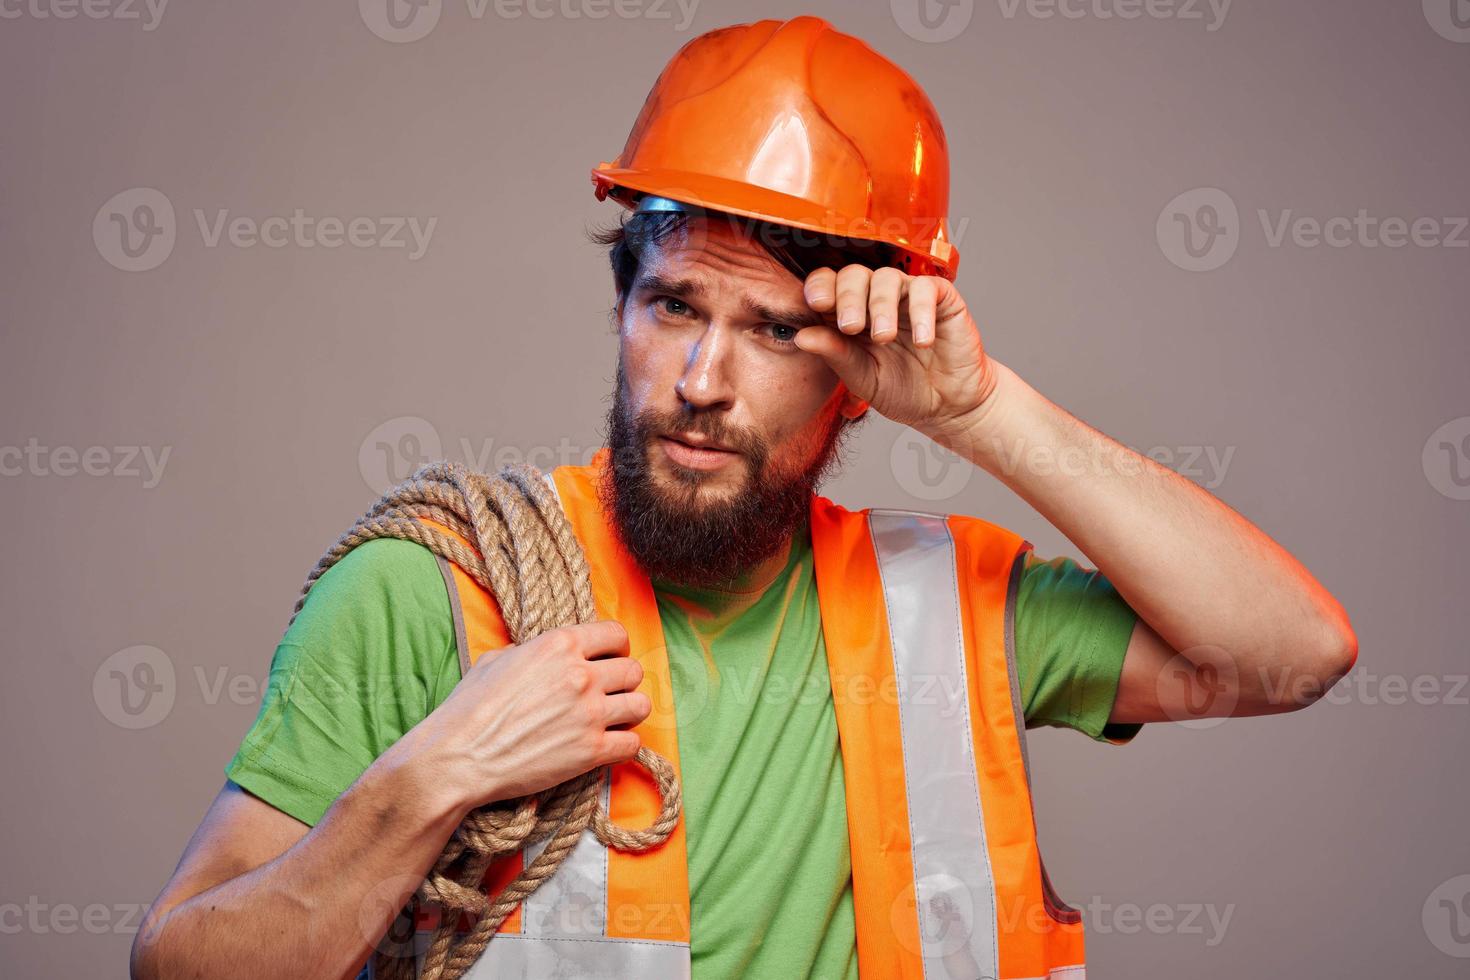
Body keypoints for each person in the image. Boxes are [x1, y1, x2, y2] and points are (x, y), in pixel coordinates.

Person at [131, 16, 1355, 980]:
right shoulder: (435, 590)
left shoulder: (951, 611)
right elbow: (183, 963)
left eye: (775, 330)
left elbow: (1291, 653)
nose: (702, 382)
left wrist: (984, 414)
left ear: (857, 377)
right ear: (622, 307)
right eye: (672, 305)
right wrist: (432, 776)